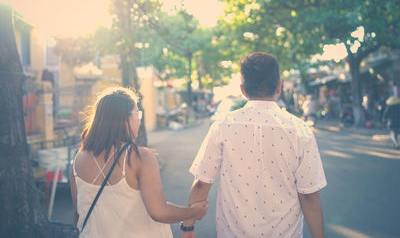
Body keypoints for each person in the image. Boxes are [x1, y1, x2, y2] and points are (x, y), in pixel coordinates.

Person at [181, 52, 327, 238]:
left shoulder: (223, 125)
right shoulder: (299, 130)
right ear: (279, 86)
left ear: (243, 90)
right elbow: (309, 195)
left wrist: (188, 227)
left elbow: (202, 183)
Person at [70, 87, 208, 238]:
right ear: (124, 119)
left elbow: (78, 214)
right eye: (137, 113)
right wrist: (193, 212)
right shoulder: (139, 157)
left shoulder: (78, 159)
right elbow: (158, 211)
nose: (139, 119)